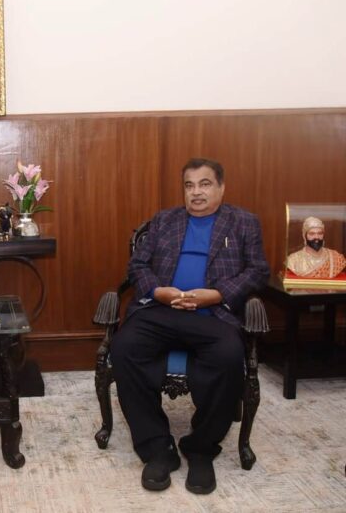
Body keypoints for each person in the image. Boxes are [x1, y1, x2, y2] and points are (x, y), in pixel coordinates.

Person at [110, 158, 269, 495]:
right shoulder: (164, 220)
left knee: (228, 355)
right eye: (189, 185)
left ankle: (200, 449)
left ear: (221, 187)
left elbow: (258, 271)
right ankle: (157, 448)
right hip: (162, 310)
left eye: (205, 184)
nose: (196, 192)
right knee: (124, 348)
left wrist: (217, 294)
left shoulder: (244, 222)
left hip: (213, 315)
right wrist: (159, 292)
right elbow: (137, 266)